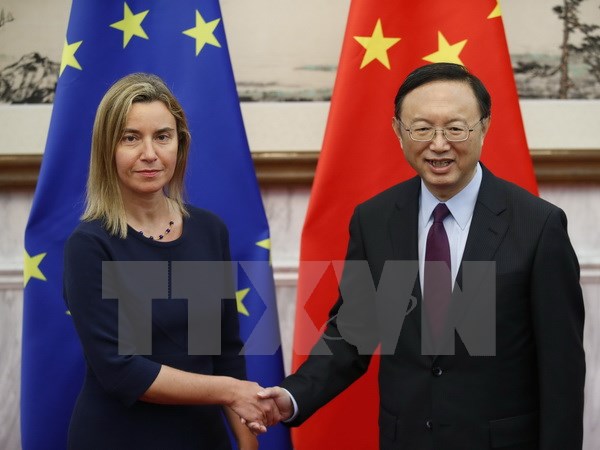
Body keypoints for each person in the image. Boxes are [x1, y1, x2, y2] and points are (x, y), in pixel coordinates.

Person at [257, 63, 586, 449]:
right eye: (422, 128)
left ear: (484, 127)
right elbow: (354, 332)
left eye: (456, 128)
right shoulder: (375, 220)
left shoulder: (538, 226)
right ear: (399, 132)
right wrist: (292, 396)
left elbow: (562, 370)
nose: (439, 144)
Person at [63, 73, 279, 450]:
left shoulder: (209, 231)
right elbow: (120, 370)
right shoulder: (90, 245)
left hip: (203, 439)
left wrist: (248, 444)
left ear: (180, 143)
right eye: (131, 138)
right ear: (107, 148)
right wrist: (230, 390)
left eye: (162, 136)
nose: (150, 153)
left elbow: (225, 353)